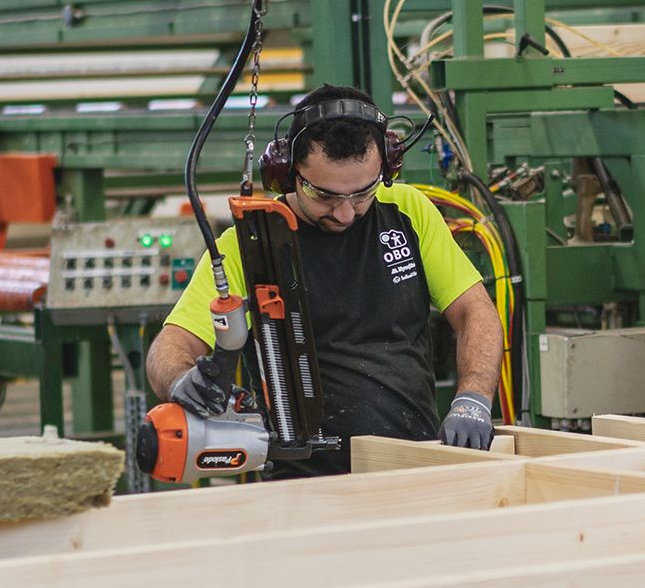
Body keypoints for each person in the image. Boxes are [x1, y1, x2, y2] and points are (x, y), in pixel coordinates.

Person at [145, 84, 504, 477]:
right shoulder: (249, 246)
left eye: (362, 193)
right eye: (325, 196)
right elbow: (171, 345)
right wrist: (181, 379)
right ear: (286, 172)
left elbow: (475, 312)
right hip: (300, 481)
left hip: (412, 465)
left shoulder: (408, 212)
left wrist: (473, 398)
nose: (346, 213)